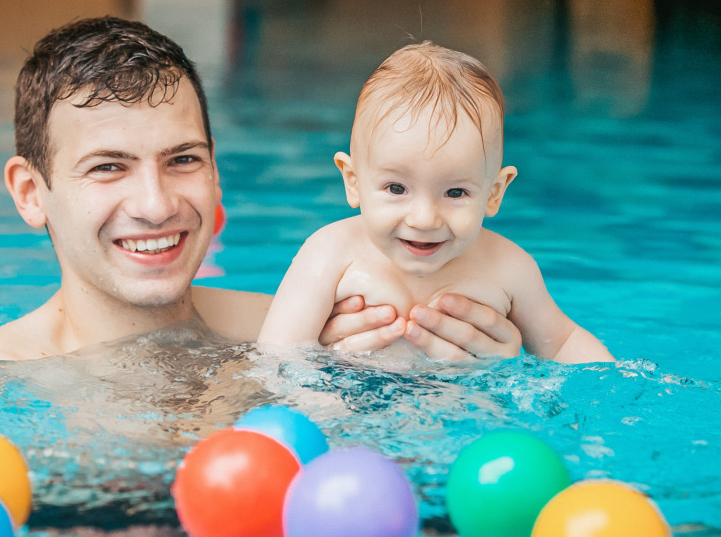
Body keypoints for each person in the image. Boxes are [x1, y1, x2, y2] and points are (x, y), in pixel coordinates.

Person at [0, 17, 521, 361]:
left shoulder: (325, 331)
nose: (157, 205)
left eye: (183, 160)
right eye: (109, 167)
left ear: (215, 175)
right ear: (31, 192)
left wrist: (498, 372)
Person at [259, 42, 614, 364]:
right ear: (353, 181)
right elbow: (279, 356)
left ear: (494, 193)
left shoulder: (510, 268)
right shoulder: (329, 254)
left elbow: (562, 342)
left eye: (455, 193)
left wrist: (610, 392)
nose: (425, 218)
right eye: (397, 188)